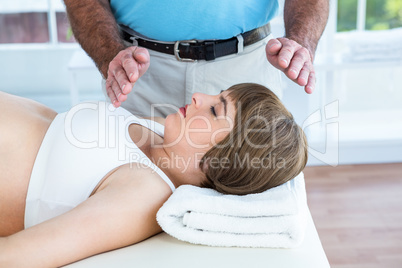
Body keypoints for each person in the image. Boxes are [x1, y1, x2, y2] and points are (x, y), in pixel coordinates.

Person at [0, 83, 307, 267]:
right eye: (216, 96)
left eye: (215, 110)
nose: (199, 96)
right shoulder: (162, 131)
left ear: (225, 160)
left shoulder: (142, 194)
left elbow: (17, 257)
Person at [64, 0, 329, 116]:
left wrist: (301, 42)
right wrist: (109, 55)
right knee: (133, 190)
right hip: (140, 71)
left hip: (247, 72)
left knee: (251, 188)